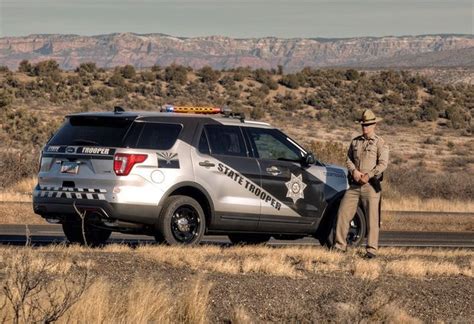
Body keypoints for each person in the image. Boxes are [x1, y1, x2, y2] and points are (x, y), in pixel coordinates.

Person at [334, 109, 389, 259]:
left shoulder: (380, 143)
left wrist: (369, 175)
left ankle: (371, 250)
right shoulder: (355, 142)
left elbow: (383, 164)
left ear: (374, 125)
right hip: (355, 185)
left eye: (368, 124)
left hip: (371, 185)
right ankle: (339, 246)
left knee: (372, 219)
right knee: (343, 213)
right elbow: (348, 159)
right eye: (363, 124)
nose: (365, 127)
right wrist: (354, 172)